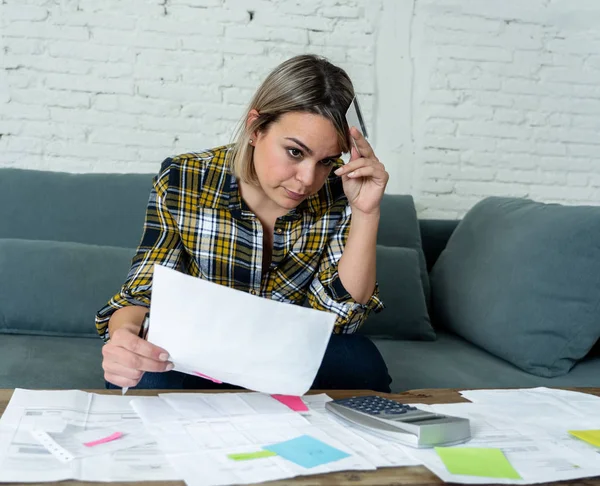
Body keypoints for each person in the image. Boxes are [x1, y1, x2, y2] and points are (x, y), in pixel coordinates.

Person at [96, 54, 392, 392]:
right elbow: (142, 292)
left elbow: (339, 320)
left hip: (287, 358)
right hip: (198, 356)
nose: (308, 179)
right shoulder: (185, 178)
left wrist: (367, 212)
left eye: (326, 161)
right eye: (295, 152)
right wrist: (123, 340)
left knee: (363, 361)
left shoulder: (340, 194)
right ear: (256, 128)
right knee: (147, 374)